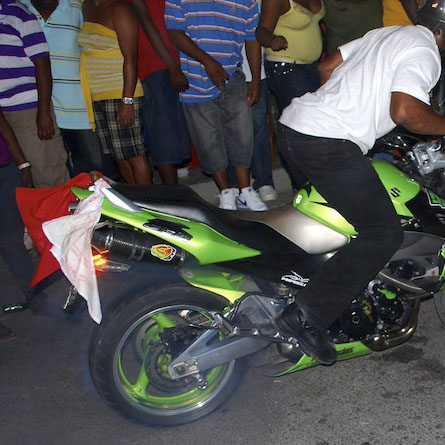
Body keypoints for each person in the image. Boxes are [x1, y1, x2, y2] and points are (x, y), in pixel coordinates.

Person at [274, 0, 445, 366]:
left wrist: (353, 109)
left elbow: (327, 67)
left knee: (332, 221)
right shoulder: (427, 52)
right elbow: (407, 112)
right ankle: (306, 316)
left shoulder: (389, 33)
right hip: (325, 142)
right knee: (382, 233)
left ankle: (306, 286)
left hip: (294, 127)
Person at [165, 0, 268, 211]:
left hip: (234, 76)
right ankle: (226, 192)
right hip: (195, 79)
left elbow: (252, 39)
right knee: (208, 140)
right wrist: (207, 62)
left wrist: (255, 79)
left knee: (242, 135)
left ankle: (245, 190)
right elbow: (175, 31)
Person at [21, 0, 105, 178]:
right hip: (40, 108)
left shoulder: (75, 6)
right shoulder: (21, 8)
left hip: (78, 105)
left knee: (94, 168)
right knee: (56, 170)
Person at [77, 0, 152, 185]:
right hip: (97, 94)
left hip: (120, 91)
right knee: (117, 155)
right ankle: (135, 202)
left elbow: (131, 58)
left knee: (134, 153)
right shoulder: (87, 6)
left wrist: (126, 101)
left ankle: (151, 204)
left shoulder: (120, 8)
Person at [0, 106, 57, 342]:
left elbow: (1, 121)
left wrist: (21, 162)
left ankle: (36, 298)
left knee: (12, 239)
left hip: (4, 167)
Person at [0, 0, 70, 188]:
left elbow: (42, 63)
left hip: (28, 109)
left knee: (48, 174)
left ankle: (62, 215)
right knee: (16, 179)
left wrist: (44, 111)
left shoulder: (17, 14)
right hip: (2, 115)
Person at [131, 0, 190, 185]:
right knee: (163, 136)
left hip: (170, 60)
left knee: (172, 133)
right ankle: (173, 197)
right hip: (155, 63)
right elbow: (145, 20)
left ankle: (175, 192)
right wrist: (172, 66)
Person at [256, 0, 325, 112]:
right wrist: (272, 40)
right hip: (288, 67)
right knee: (303, 117)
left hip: (313, 66)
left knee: (312, 116)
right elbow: (261, 31)